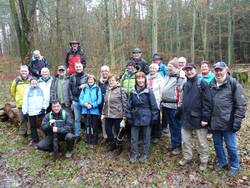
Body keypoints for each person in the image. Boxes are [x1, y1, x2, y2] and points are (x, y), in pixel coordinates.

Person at [210, 62, 246, 177]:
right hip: (215, 122)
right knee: (217, 144)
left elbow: (241, 105)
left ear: (226, 69)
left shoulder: (234, 84)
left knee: (231, 146)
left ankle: (235, 166)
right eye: (216, 70)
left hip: (228, 122)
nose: (218, 72)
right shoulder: (211, 84)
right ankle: (222, 162)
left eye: (221, 70)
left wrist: (237, 121)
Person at [178, 63, 212, 171]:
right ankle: (187, 157)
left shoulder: (202, 83)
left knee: (202, 142)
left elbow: (208, 103)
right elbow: (182, 100)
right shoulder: (185, 84)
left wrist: (205, 119)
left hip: (199, 119)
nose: (189, 72)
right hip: (186, 118)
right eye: (186, 70)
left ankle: (204, 161)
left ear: (195, 70)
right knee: (185, 140)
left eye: (190, 70)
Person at [126, 72, 159, 163]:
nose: (140, 80)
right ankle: (134, 155)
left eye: (142, 78)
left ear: (145, 79)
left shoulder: (149, 91)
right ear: (136, 80)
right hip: (135, 117)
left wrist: (154, 118)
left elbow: (154, 106)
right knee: (134, 138)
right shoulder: (132, 91)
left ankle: (144, 154)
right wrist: (129, 117)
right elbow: (128, 105)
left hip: (146, 117)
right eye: (138, 78)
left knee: (146, 138)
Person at [161, 58, 185, 154]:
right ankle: (173, 143)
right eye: (168, 68)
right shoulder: (168, 75)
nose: (168, 69)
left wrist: (180, 105)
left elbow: (181, 92)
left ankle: (178, 145)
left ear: (176, 67)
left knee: (176, 126)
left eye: (170, 68)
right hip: (166, 104)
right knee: (170, 125)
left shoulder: (180, 77)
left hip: (174, 106)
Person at [102, 74, 127, 154]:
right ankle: (113, 145)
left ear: (117, 81)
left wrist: (124, 117)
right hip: (108, 115)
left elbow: (125, 103)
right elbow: (105, 103)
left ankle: (120, 147)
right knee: (108, 130)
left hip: (118, 115)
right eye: (110, 81)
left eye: (113, 80)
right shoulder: (107, 90)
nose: (111, 82)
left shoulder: (121, 90)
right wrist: (103, 113)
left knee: (118, 132)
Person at [79, 75, 102, 148]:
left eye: (92, 79)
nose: (90, 80)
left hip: (94, 111)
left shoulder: (98, 88)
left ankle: (94, 142)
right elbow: (80, 98)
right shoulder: (84, 88)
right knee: (87, 126)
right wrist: (84, 104)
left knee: (94, 127)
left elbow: (99, 100)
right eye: (89, 79)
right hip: (85, 111)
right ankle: (88, 141)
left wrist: (92, 105)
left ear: (94, 80)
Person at [10, 65, 32, 141]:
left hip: (30, 104)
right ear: (20, 71)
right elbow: (12, 91)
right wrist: (17, 98)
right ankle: (22, 133)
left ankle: (30, 133)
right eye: (22, 71)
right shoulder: (16, 80)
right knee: (22, 119)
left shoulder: (31, 80)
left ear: (28, 71)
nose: (24, 72)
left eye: (25, 71)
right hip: (20, 104)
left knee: (29, 119)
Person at [22, 78, 46, 144]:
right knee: (32, 126)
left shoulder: (41, 89)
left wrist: (44, 108)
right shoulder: (28, 90)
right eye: (32, 83)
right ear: (30, 83)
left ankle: (45, 138)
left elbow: (45, 99)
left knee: (43, 124)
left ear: (37, 83)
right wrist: (25, 112)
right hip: (31, 111)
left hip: (40, 111)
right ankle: (35, 140)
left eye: (35, 82)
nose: (34, 84)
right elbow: (25, 101)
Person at [69, 62, 88, 141]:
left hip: (85, 101)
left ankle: (88, 135)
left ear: (82, 67)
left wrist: (86, 85)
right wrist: (72, 99)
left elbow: (93, 84)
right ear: (75, 68)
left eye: (79, 67)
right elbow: (69, 89)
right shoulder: (72, 77)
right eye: (77, 67)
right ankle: (77, 135)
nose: (78, 68)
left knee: (87, 118)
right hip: (76, 100)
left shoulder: (87, 76)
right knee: (77, 119)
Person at [197, 60, 215, 139]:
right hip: (199, 98)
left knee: (210, 113)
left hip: (211, 97)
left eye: (205, 66)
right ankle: (202, 127)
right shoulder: (198, 76)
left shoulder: (213, 76)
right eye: (202, 67)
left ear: (209, 68)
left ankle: (210, 130)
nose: (204, 68)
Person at [146, 63, 163, 144]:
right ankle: (149, 134)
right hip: (147, 101)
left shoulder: (160, 78)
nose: (152, 70)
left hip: (156, 101)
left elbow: (161, 91)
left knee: (156, 118)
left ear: (157, 69)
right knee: (149, 118)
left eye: (154, 68)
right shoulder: (146, 77)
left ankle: (156, 135)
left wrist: (160, 100)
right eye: (151, 68)